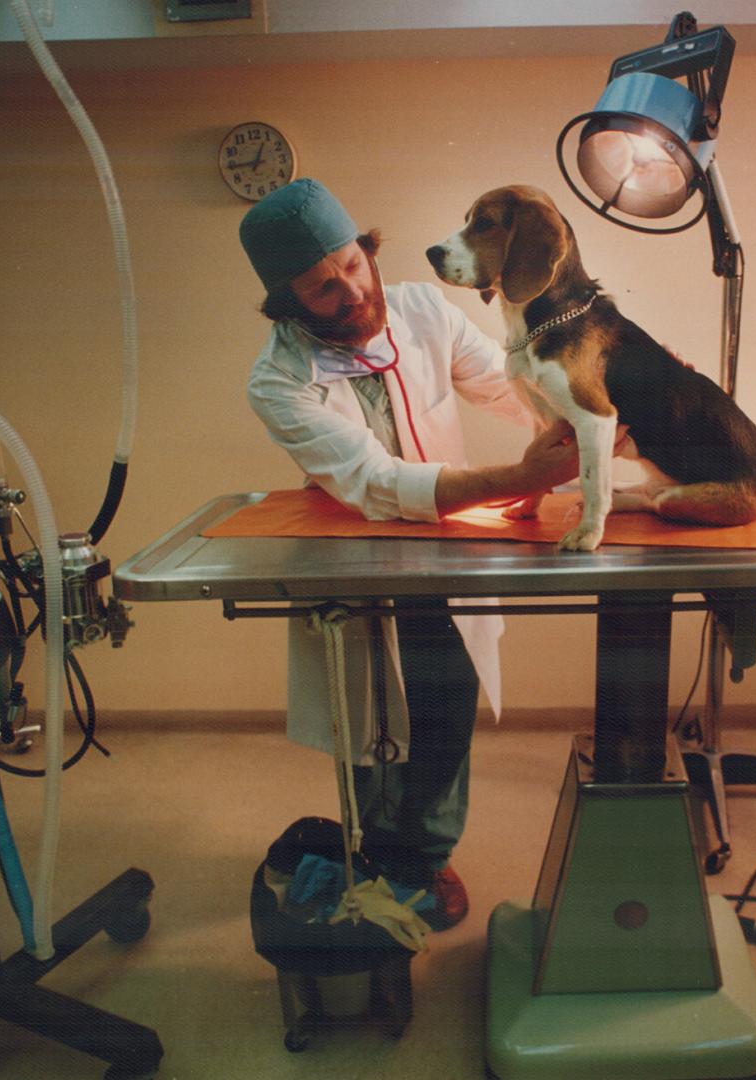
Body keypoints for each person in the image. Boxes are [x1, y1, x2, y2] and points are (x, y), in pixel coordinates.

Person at [239, 179, 581, 930]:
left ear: (367, 249)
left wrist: (606, 395)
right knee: (374, 728)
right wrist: (521, 476)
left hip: (448, 553)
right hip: (356, 560)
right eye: (321, 288)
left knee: (446, 702)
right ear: (287, 303)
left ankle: (423, 855)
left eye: (353, 266)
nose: (351, 292)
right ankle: (382, 851)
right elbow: (374, 482)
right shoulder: (278, 379)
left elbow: (512, 386)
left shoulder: (423, 310)